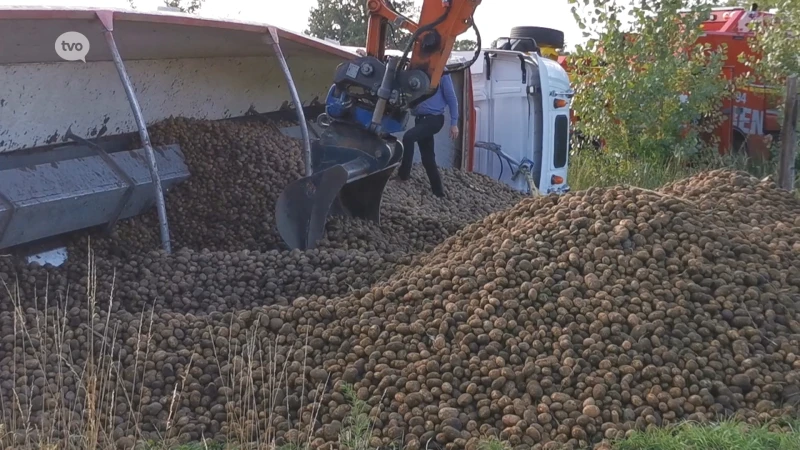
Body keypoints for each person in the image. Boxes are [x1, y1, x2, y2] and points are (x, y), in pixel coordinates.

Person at [397, 73, 459, 198]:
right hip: (421, 119)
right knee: (428, 158)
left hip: (434, 119)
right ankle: (438, 192)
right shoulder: (420, 71)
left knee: (409, 137)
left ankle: (403, 175)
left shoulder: (443, 73)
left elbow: (452, 99)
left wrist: (454, 123)